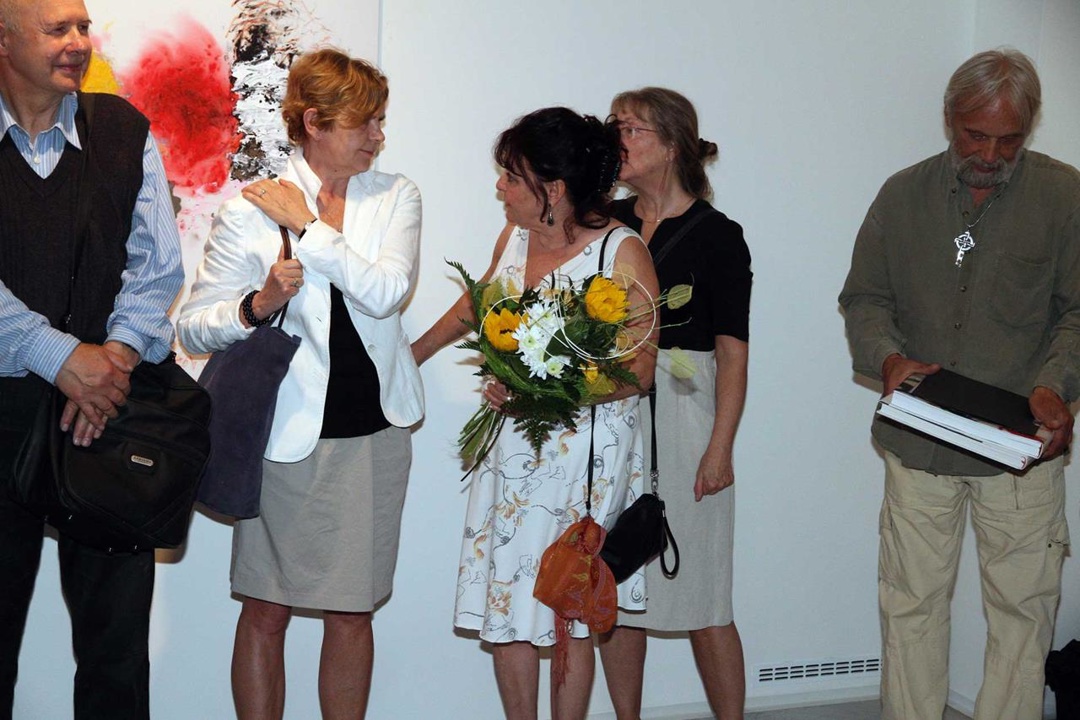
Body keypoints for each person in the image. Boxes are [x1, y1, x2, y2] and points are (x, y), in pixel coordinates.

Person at [177, 49, 423, 720]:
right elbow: (194, 325)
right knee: (266, 607)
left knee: (352, 612)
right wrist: (256, 305)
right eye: (363, 122)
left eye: (379, 121)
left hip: (373, 434)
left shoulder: (394, 195)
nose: (377, 136)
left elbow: (385, 293)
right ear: (313, 122)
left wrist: (307, 228)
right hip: (283, 438)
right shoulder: (250, 209)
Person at [839, 49, 1077, 720]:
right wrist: (887, 359)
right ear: (949, 118)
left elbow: (1078, 310)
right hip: (920, 442)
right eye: (976, 135)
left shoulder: (1065, 197)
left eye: (1009, 139)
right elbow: (864, 298)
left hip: (1022, 449)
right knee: (910, 604)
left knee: (1022, 614)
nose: (991, 154)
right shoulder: (901, 195)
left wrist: (1055, 384)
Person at [411, 107, 658, 720]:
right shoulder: (515, 237)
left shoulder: (622, 253)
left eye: (511, 177)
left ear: (554, 189)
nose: (500, 188)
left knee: (566, 604)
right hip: (513, 455)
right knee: (508, 600)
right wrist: (411, 354)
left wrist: (547, 395)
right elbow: (481, 300)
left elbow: (641, 370)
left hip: (587, 462)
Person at [0, 0, 184, 717]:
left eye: (82, 26)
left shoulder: (124, 131)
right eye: (58, 29)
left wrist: (110, 360)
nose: (78, 42)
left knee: (116, 656)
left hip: (107, 416)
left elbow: (157, 264)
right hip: (4, 416)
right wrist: (59, 356)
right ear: (4, 41)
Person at [597, 88, 752, 719]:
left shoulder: (719, 236)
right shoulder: (604, 220)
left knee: (703, 594)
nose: (617, 140)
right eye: (614, 127)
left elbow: (733, 353)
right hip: (611, 406)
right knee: (613, 582)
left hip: (687, 413)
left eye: (630, 129)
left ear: (671, 145)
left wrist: (720, 449)